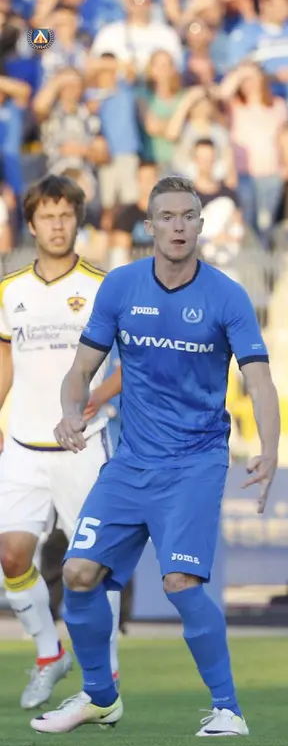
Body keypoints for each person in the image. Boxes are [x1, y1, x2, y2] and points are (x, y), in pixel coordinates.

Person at [31, 175, 281, 737]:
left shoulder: (227, 296)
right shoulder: (121, 287)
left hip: (195, 462)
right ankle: (100, 698)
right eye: (166, 217)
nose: (177, 226)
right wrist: (71, 411)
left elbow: (261, 382)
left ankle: (228, 709)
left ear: (200, 224)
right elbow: (80, 370)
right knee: (77, 573)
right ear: (150, 226)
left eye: (187, 216)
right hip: (130, 463)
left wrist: (269, 449)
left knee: (180, 583)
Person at [0, 174, 123, 710]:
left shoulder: (103, 286)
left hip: (82, 447)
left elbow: (133, 360)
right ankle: (49, 654)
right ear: (31, 224)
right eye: (47, 216)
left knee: (94, 566)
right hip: (23, 446)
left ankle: (108, 677)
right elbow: (5, 357)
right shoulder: (10, 290)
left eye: (65, 215)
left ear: (77, 221)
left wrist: (97, 397)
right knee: (11, 556)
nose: (57, 225)